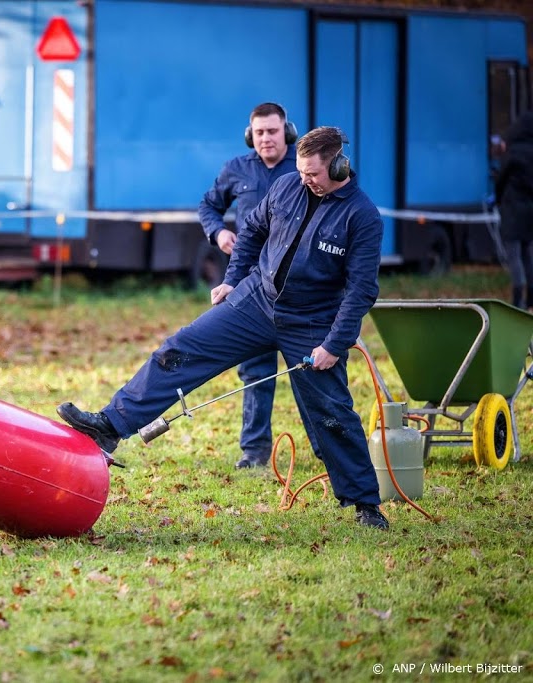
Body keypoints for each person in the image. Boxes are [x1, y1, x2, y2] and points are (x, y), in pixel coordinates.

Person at [58, 126, 390, 530]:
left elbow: (361, 291)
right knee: (178, 351)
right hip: (255, 301)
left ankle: (365, 504)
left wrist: (334, 345)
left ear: (339, 164)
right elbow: (251, 232)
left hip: (312, 323)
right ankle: (111, 425)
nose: (306, 180)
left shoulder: (363, 217)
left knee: (332, 412)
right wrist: (233, 279)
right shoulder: (287, 187)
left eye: (314, 174)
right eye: (302, 172)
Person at [199, 102, 300, 469]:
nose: (266, 139)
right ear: (250, 135)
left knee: (309, 370)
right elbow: (208, 206)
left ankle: (326, 448)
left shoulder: (303, 168)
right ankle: (254, 451)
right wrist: (219, 231)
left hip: (297, 286)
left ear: (286, 132)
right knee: (256, 369)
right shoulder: (236, 170)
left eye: (272, 131)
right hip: (249, 284)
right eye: (259, 133)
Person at [493, 112, 533, 310]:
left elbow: (501, 181)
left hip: (513, 210)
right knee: (528, 253)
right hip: (530, 212)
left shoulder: (513, 153)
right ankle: (531, 296)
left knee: (514, 255)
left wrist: (497, 200)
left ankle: (518, 295)